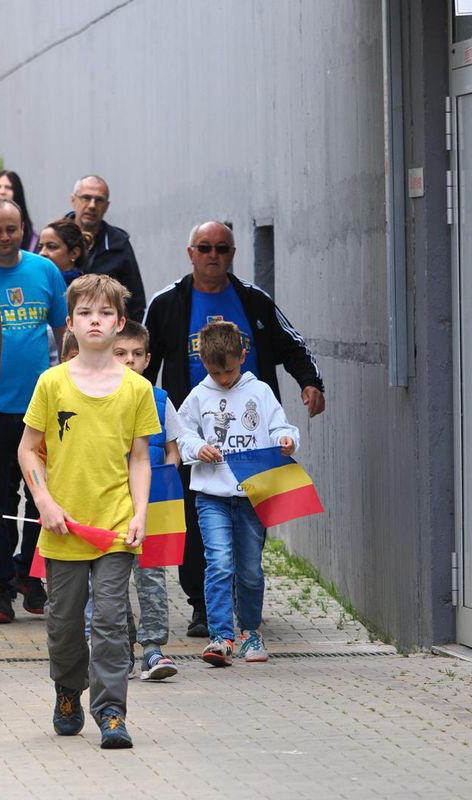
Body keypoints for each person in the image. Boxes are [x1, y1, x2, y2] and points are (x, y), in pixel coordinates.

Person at [143, 221, 325, 638]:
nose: (213, 255)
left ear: (233, 253)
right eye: (204, 247)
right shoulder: (169, 303)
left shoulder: (252, 300)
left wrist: (311, 383)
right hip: (196, 440)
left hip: (253, 445)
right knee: (196, 522)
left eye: (222, 248)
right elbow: (142, 361)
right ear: (190, 253)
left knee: (247, 525)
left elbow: (292, 344)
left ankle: (244, 604)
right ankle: (203, 607)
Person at [16, 273, 159, 750]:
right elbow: (28, 450)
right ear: (70, 323)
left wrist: (140, 513)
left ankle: (112, 711)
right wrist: (45, 501)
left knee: (112, 621)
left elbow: (139, 457)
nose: (94, 321)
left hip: (116, 526)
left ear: (120, 324)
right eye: (85, 313)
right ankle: (66, 690)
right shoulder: (51, 383)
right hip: (63, 526)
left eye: (104, 314)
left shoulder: (136, 389)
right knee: (63, 624)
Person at [175, 321, 301, 666]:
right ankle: (220, 635)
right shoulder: (199, 395)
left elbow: (281, 427)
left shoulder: (259, 392)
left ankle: (250, 631)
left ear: (242, 356)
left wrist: (287, 441)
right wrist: (198, 447)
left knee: (249, 569)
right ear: (203, 363)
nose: (225, 378)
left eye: (229, 370)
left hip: (252, 495)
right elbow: (181, 433)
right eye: (216, 372)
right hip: (211, 496)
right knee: (217, 563)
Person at [0, 199, 66, 624]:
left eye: (12, 228)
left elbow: (66, 333)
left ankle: (32, 577)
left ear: (23, 229)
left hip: (42, 412)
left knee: (40, 497)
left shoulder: (45, 271)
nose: (5, 236)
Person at [111, 322, 181, 682]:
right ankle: (120, 649)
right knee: (112, 580)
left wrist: (164, 484)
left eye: (137, 355)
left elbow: (173, 450)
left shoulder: (159, 399)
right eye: (121, 354)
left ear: (148, 359)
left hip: (149, 507)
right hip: (108, 508)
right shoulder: (99, 398)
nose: (130, 361)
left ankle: (153, 649)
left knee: (151, 577)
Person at [65, 175, 145, 319]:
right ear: (73, 200)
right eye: (86, 198)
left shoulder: (118, 244)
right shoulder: (54, 239)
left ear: (107, 206)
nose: (92, 205)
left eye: (99, 200)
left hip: (108, 335)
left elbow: (135, 303)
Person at [36, 218, 90, 286]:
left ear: (74, 253)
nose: (42, 253)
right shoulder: (35, 281)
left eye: (52, 247)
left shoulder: (83, 291)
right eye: (40, 247)